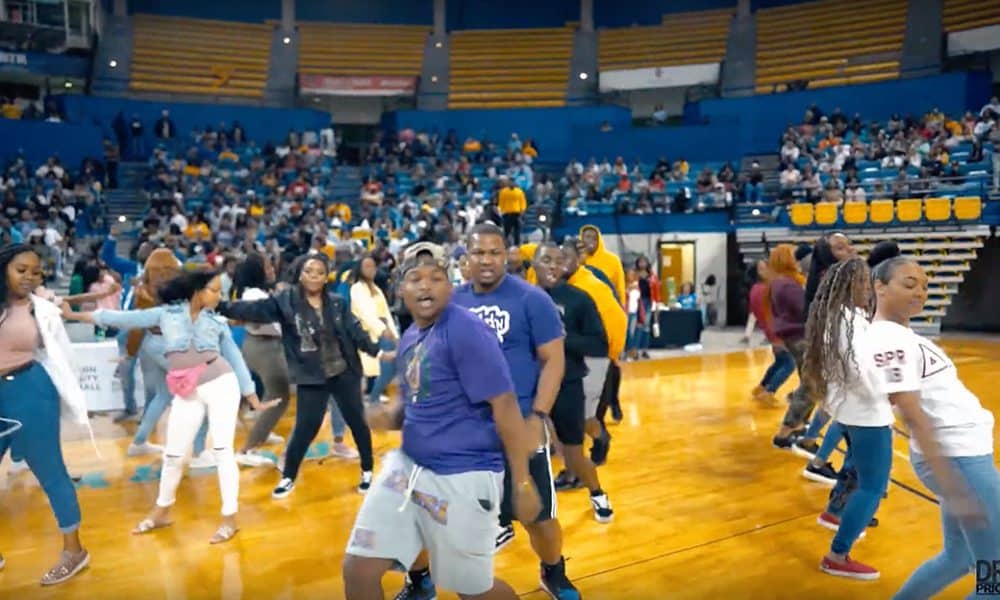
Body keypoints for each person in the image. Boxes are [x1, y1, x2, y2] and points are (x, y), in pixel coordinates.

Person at [342, 242, 542, 600]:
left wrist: (523, 482)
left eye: (435, 278)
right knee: (358, 569)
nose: (425, 285)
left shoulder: (466, 330)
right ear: (400, 290)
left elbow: (505, 405)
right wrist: (383, 416)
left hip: (463, 475)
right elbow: (411, 406)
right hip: (408, 469)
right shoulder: (410, 339)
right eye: (415, 278)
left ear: (449, 287)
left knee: (473, 590)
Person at [397, 223, 577, 600]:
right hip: (458, 435)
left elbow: (554, 360)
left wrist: (539, 416)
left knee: (538, 517)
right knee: (421, 513)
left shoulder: (532, 299)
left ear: (506, 256)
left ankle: (553, 571)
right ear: (466, 257)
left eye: (494, 252)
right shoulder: (449, 301)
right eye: (479, 252)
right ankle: (420, 581)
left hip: (516, 428)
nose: (486, 260)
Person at [62, 269, 273, 544]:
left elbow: (235, 358)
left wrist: (252, 396)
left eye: (220, 291)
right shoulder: (165, 314)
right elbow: (123, 318)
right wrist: (75, 316)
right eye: (214, 290)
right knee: (173, 455)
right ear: (196, 290)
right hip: (187, 390)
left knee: (223, 453)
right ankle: (162, 511)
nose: (218, 296)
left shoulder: (218, 322)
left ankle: (229, 518)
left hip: (221, 385)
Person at [869, 258, 998, 593]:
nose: (920, 293)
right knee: (995, 577)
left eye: (925, 286)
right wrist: (953, 486)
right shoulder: (889, 339)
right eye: (909, 284)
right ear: (880, 287)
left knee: (958, 557)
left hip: (962, 457)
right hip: (958, 459)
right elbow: (910, 410)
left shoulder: (902, 336)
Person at [217, 254, 387, 497]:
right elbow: (254, 309)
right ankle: (288, 477)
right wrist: (219, 305)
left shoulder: (337, 302)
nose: (314, 277)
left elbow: (354, 330)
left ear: (326, 277)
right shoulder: (286, 301)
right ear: (300, 274)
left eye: (319, 272)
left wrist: (376, 350)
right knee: (305, 428)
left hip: (344, 372)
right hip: (312, 376)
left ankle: (367, 470)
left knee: (357, 422)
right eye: (309, 271)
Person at [0, 244, 91, 585]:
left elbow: (62, 352)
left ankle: (75, 551)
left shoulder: (41, 308)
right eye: (21, 270)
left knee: (50, 472)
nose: (29, 277)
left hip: (29, 390)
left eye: (36, 272)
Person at [533, 242, 614, 522]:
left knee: (573, 452)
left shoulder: (579, 299)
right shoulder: (523, 299)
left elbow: (599, 344)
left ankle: (597, 493)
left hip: (567, 384)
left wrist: (562, 338)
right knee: (521, 451)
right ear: (534, 264)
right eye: (546, 260)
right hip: (530, 386)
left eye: (558, 260)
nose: (553, 266)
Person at [561, 239, 626, 468]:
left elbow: (617, 320)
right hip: (575, 357)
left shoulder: (591, 286)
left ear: (579, 259)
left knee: (587, 414)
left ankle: (599, 443)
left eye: (566, 258)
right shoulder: (563, 285)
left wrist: (612, 354)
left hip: (596, 357)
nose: (561, 263)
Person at [230, 252, 292, 467]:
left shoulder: (258, 292)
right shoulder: (254, 294)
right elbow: (272, 324)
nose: (272, 269)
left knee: (271, 392)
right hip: (264, 347)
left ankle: (264, 429)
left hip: (262, 345)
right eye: (267, 266)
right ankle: (247, 449)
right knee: (280, 395)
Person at [768, 244, 811, 448]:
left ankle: (800, 422)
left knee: (809, 380)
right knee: (812, 383)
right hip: (800, 335)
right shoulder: (788, 284)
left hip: (792, 335)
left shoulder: (779, 282)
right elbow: (805, 309)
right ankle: (787, 429)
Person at [350, 254, 399, 405]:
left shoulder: (376, 289)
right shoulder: (357, 288)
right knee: (384, 367)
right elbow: (365, 313)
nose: (371, 269)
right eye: (367, 266)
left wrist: (394, 334)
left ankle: (374, 395)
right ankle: (373, 397)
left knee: (391, 366)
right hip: (372, 332)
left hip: (386, 330)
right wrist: (382, 329)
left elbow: (386, 313)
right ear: (360, 269)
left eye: (373, 266)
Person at [748, 259, 793, 406]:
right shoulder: (767, 290)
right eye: (764, 267)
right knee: (789, 363)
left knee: (780, 361)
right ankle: (770, 391)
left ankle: (762, 387)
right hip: (779, 331)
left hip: (771, 331)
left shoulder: (755, 289)